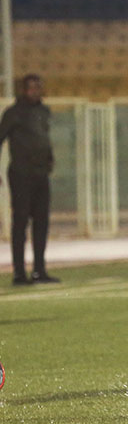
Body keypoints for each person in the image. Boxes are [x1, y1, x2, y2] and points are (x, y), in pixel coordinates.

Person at [0, 74, 60, 285]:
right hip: (20, 174)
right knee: (20, 222)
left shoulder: (43, 112)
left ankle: (39, 270)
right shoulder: (13, 113)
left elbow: (44, 138)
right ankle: (19, 273)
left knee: (41, 223)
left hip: (41, 174)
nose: (36, 91)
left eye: (38, 87)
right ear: (24, 90)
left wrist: (49, 159)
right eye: (32, 88)